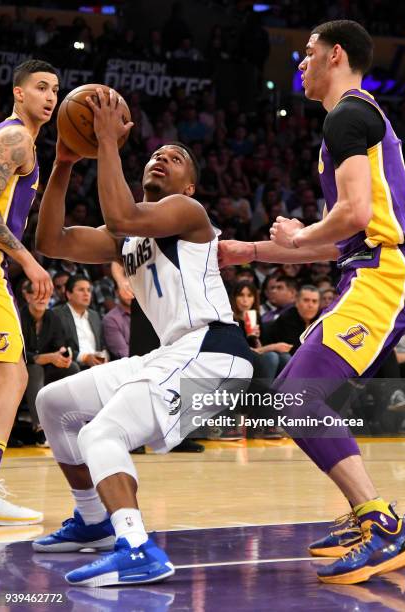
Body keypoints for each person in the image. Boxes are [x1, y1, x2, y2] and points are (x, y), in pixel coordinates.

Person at [218, 20, 405, 584]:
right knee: (295, 395)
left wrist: (297, 235)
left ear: (336, 55)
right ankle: (370, 518)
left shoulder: (347, 115)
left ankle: (383, 525)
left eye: (307, 54)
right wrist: (254, 250)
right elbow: (342, 239)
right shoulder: (350, 120)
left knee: (295, 396)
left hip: (385, 274)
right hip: (367, 270)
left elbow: (354, 218)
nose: (300, 64)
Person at [32, 89, 253, 588]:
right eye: (157, 153)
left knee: (99, 434)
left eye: (175, 159)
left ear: (189, 186)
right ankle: (94, 520)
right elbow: (51, 241)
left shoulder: (187, 215)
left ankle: (136, 546)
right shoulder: (129, 236)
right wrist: (65, 161)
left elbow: (122, 215)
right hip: (173, 353)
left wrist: (106, 140)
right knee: (55, 402)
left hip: (213, 350)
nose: (162, 157)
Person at [0, 59, 57, 525]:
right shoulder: (13, 137)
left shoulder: (30, 145)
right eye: (40, 87)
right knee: (12, 373)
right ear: (19, 93)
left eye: (55, 89)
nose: (50, 96)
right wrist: (29, 260)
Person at [20, 280, 80, 445]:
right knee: (34, 369)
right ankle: (40, 428)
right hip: (22, 371)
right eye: (37, 294)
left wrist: (62, 356)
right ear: (27, 296)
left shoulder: (52, 317)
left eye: (45, 295)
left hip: (47, 370)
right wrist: (48, 358)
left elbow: (59, 345)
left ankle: (74, 423)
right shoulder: (19, 317)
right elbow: (22, 354)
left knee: (72, 368)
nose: (41, 299)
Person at [54, 275, 107, 369]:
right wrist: (84, 358)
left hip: (97, 366)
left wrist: (105, 356)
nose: (86, 294)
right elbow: (59, 346)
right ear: (69, 294)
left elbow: (102, 345)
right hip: (73, 366)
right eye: (81, 290)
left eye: (89, 290)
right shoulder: (57, 315)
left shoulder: (94, 316)